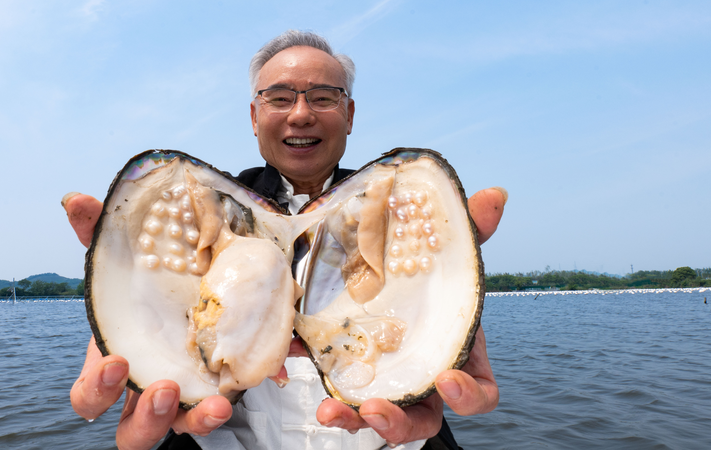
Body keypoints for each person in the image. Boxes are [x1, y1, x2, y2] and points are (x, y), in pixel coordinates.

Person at [63, 30, 505, 450]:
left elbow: (428, 305)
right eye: (279, 98)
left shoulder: (399, 214)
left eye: (323, 97)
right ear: (254, 119)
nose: (300, 113)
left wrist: (450, 302)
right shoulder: (201, 217)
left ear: (349, 115)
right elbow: (157, 307)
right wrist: (125, 307)